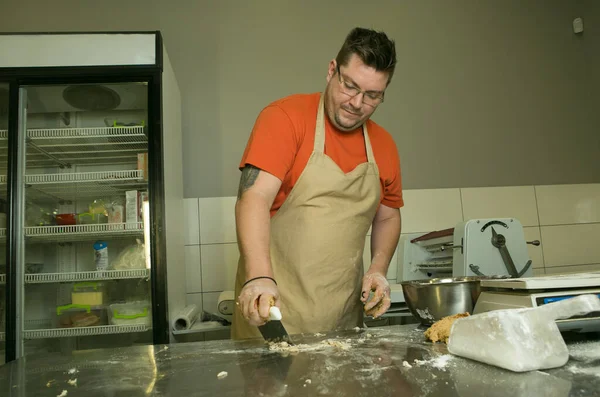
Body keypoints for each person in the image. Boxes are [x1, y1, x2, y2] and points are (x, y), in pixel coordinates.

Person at [232, 27, 403, 340]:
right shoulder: (285, 118)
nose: (356, 102)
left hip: (344, 321)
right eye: (350, 86)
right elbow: (253, 197)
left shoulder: (385, 145)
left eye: (372, 95)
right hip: (274, 317)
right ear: (332, 71)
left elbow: (388, 215)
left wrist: (378, 268)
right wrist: (258, 277)